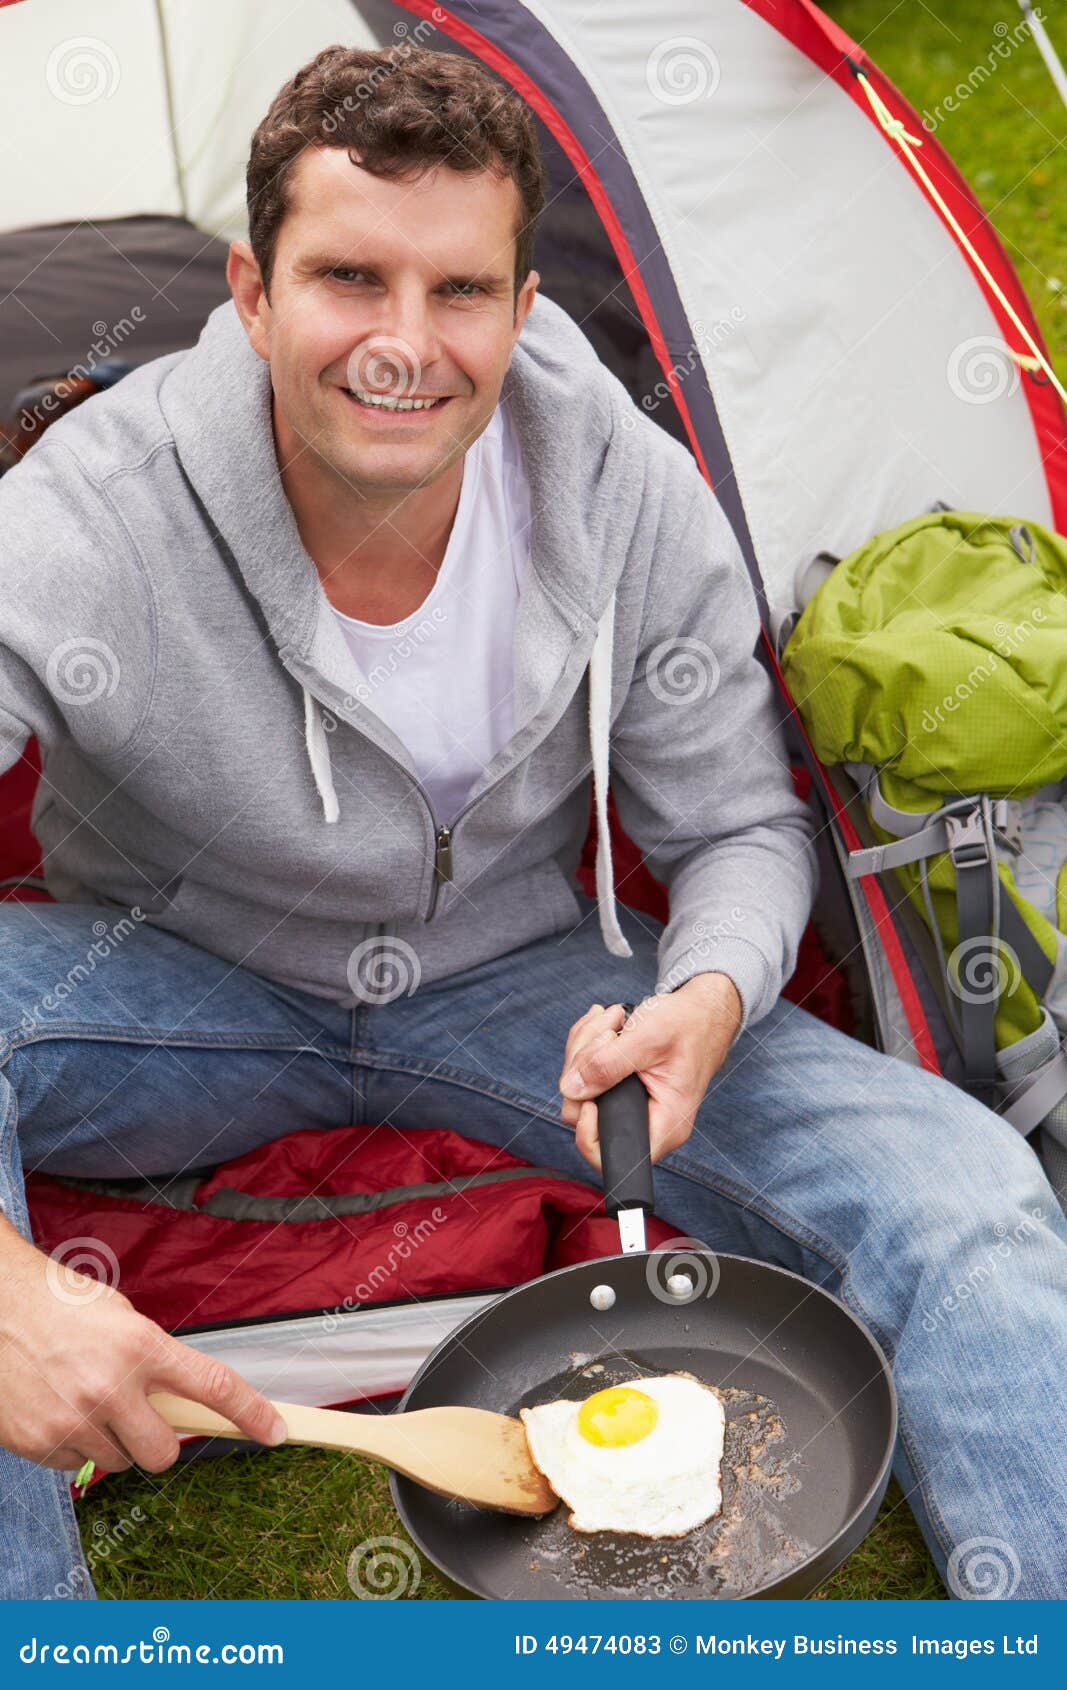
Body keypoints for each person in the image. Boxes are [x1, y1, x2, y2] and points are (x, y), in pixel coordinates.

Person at [0, 44, 1063, 1604]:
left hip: (533, 989)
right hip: (165, 980)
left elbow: (738, 836)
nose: (404, 347)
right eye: (348, 278)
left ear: (525, 302)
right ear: (249, 287)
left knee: (967, 1192)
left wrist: (699, 1001)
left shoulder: (620, 484)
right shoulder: (91, 509)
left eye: (462, 292)